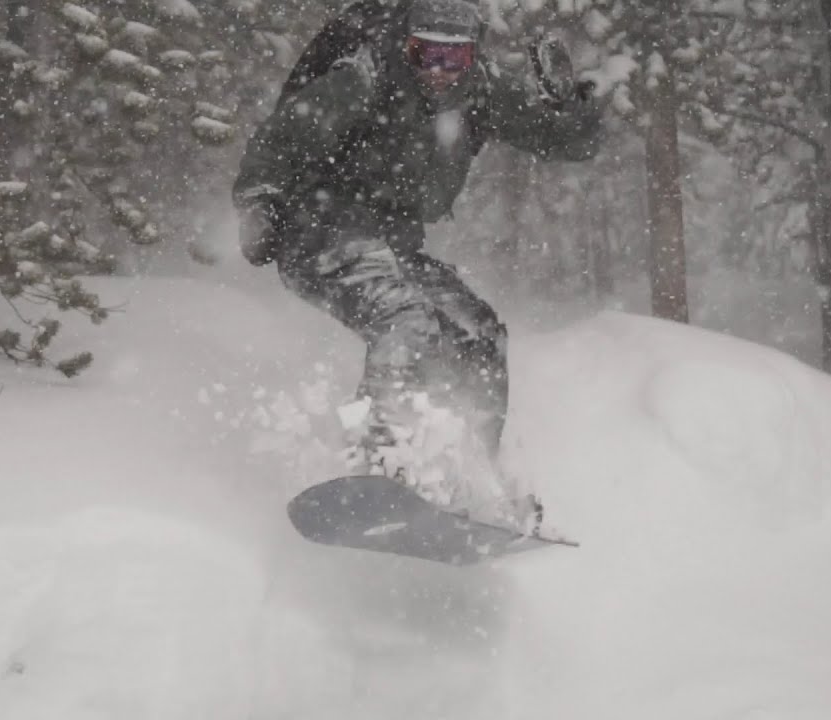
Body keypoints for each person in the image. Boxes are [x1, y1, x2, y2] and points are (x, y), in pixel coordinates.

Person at [233, 0, 603, 517]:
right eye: (426, 55)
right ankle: (381, 465)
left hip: (394, 245)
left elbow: (565, 142)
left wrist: (568, 108)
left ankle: (472, 478)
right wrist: (260, 206)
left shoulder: (481, 89)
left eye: (454, 59)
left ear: (472, 56)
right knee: (404, 320)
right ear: (407, 47)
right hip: (317, 234)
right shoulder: (364, 77)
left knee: (479, 333)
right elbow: (279, 140)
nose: (439, 72)